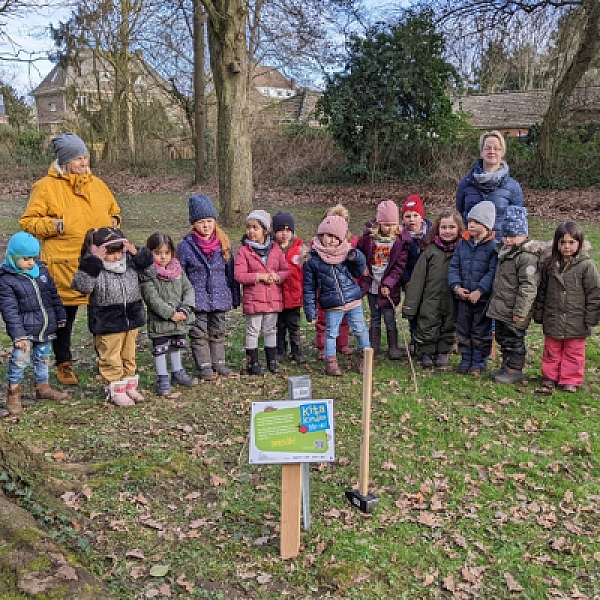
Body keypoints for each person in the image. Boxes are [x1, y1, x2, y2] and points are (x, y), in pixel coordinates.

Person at [20, 132, 121, 386]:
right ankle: (63, 363)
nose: (84, 162)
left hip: (100, 261)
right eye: (78, 158)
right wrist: (54, 225)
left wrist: (114, 223)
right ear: (65, 161)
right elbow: (28, 222)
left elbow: (114, 210)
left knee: (104, 313)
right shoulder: (45, 187)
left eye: (85, 156)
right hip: (65, 264)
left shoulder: (97, 184)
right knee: (65, 318)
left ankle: (107, 360)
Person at [71, 227, 153, 406]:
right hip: (107, 320)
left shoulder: (130, 263)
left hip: (131, 317)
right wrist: (93, 263)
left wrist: (139, 255)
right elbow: (82, 286)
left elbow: (151, 274)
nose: (116, 257)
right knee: (111, 356)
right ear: (100, 251)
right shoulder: (95, 268)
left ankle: (129, 384)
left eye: (119, 252)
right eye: (111, 253)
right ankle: (115, 388)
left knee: (129, 355)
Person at [0, 232, 69, 416]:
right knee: (19, 361)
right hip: (24, 332)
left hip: (44, 327)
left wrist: (60, 316)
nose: (31, 262)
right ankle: (13, 392)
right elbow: (10, 311)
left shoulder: (42, 272)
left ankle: (42, 387)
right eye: (25, 258)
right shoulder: (7, 280)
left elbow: (53, 296)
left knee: (43, 358)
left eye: (33, 257)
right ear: (13, 257)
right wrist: (18, 335)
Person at [177, 195, 239, 381]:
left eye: (210, 221)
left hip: (220, 296)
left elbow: (230, 272)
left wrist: (235, 296)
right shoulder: (185, 247)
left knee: (218, 331)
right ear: (194, 224)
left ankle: (219, 363)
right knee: (199, 333)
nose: (206, 226)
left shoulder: (223, 244)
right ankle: (204, 365)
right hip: (197, 298)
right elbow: (181, 274)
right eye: (201, 222)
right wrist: (183, 300)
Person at [533, 221, 600, 392]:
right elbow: (542, 291)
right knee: (552, 349)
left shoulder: (586, 266)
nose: (567, 247)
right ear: (557, 243)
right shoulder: (550, 265)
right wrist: (539, 313)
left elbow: (594, 294)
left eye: (571, 242)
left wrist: (591, 318)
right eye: (563, 242)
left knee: (574, 351)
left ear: (579, 243)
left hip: (576, 319)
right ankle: (550, 376)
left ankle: (570, 379)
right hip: (553, 316)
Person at [303, 215, 370, 376]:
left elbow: (359, 270)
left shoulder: (346, 253)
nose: (332, 241)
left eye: (336, 237)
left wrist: (356, 257)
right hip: (331, 303)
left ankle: (366, 357)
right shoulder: (313, 260)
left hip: (353, 300)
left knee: (360, 329)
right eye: (328, 236)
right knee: (331, 333)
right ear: (321, 236)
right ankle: (331, 361)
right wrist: (310, 310)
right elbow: (309, 288)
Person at [486, 207, 543, 384]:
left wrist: (521, 311)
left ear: (524, 235)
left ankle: (515, 369)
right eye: (506, 235)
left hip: (516, 311)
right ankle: (506, 366)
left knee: (514, 340)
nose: (508, 239)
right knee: (504, 338)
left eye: (513, 236)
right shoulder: (504, 253)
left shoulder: (526, 258)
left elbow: (528, 287)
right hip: (503, 308)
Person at [402, 210, 464, 368]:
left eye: (451, 227)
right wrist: (410, 306)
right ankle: (427, 351)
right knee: (428, 323)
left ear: (459, 229)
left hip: (451, 297)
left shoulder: (462, 252)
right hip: (430, 298)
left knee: (449, 323)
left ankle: (444, 351)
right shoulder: (429, 252)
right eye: (444, 227)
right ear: (437, 229)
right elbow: (417, 281)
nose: (447, 231)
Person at [142, 232, 198, 396]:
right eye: (158, 253)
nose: (163, 257)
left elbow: (188, 289)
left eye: (166, 253)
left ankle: (177, 371)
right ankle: (162, 377)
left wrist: (185, 308)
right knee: (160, 348)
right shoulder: (148, 274)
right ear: (150, 253)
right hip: (161, 321)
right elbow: (152, 298)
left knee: (176, 346)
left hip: (179, 318)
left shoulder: (178, 271)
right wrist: (169, 313)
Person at [235, 210, 290, 375]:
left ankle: (272, 360)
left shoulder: (275, 249)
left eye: (255, 227)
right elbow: (239, 275)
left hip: (272, 298)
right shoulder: (244, 251)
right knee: (253, 330)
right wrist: (259, 276)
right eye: (248, 227)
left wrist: (278, 276)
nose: (251, 231)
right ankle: (253, 362)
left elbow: (285, 270)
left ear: (265, 230)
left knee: (271, 329)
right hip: (254, 299)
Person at [447, 201, 498, 376]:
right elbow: (454, 266)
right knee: (463, 329)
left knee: (480, 331)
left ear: (486, 225)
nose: (471, 225)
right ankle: (465, 358)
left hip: (481, 299)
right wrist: (457, 286)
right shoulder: (463, 243)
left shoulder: (493, 246)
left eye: (476, 222)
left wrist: (480, 290)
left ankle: (478, 362)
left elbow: (493, 272)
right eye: (470, 221)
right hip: (464, 297)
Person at [357, 199, 409, 359]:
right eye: (386, 225)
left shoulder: (400, 242)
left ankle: (393, 347)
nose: (390, 228)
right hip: (372, 285)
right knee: (374, 316)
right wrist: (362, 267)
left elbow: (399, 267)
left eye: (393, 224)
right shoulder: (368, 239)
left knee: (389, 316)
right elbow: (358, 254)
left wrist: (388, 284)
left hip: (389, 288)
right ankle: (374, 346)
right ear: (379, 223)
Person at [456, 130, 523, 238]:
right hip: (471, 244)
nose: (492, 151)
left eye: (496, 148)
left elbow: (517, 221)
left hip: (499, 246)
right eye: (487, 148)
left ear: (502, 152)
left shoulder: (513, 187)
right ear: (481, 152)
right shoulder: (466, 183)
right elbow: (460, 214)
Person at [315, 204, 358, 359]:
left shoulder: (351, 242)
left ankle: (342, 343)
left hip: (345, 286)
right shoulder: (319, 245)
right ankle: (323, 346)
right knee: (323, 317)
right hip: (325, 286)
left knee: (345, 316)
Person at [272, 212, 307, 363]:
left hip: (294, 295)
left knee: (294, 325)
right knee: (279, 326)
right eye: (280, 230)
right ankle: (280, 350)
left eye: (288, 230)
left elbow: (304, 273)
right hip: (277, 296)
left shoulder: (300, 249)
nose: (284, 234)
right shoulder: (272, 249)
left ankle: (297, 350)